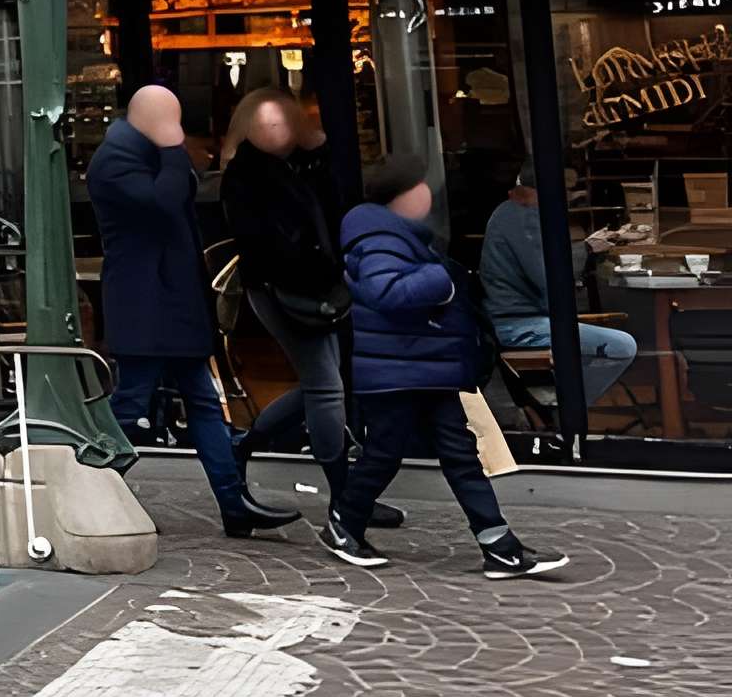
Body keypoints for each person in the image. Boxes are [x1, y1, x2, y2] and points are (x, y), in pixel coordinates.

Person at [326, 155, 567, 577]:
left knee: (460, 454)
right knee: (385, 453)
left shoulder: (397, 234)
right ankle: (344, 523)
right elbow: (385, 292)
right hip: (396, 371)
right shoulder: (379, 236)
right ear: (402, 194)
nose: (428, 194)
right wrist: (444, 282)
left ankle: (498, 545)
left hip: (423, 365)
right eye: (420, 185)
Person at [90, 83, 293, 539]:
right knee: (130, 403)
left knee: (202, 402)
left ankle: (234, 504)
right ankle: (88, 491)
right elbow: (163, 203)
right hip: (144, 302)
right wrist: (171, 150)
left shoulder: (144, 156)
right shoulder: (115, 161)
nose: (177, 130)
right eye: (169, 120)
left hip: (173, 299)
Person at [219, 89, 399, 527]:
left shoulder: (307, 163)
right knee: (326, 386)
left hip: (319, 285)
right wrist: (311, 267)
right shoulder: (246, 175)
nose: (275, 131)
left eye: (282, 122)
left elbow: (335, 209)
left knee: (322, 384)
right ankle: (344, 496)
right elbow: (262, 242)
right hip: (285, 290)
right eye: (266, 124)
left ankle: (242, 445)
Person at [476, 165, 643, 415]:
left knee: (613, 342)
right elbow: (548, 276)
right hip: (519, 325)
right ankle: (564, 414)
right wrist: (586, 249)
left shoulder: (513, 213)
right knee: (622, 345)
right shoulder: (522, 217)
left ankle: (560, 410)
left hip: (521, 320)